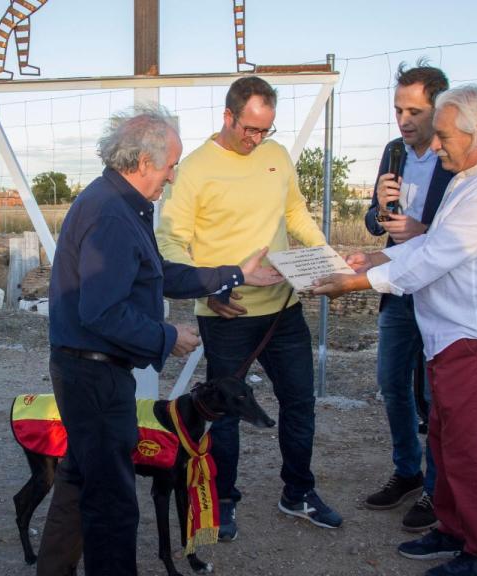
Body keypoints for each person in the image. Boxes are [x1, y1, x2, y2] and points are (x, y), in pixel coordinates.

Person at [39, 107, 282, 576]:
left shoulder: (121, 203)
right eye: (171, 165)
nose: (173, 177)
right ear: (144, 161)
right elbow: (102, 311)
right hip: (94, 375)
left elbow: (156, 273)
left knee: (79, 480)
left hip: (91, 371)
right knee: (111, 504)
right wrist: (167, 336)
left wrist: (234, 274)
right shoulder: (111, 213)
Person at [314, 85, 477, 576]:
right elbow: (430, 241)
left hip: (473, 339)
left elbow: (434, 258)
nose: (434, 147)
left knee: (468, 452)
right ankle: (453, 530)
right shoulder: (470, 175)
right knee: (443, 439)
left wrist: (355, 282)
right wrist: (377, 255)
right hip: (450, 337)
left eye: (442, 136)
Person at [156, 75, 342, 541]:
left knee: (300, 401)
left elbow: (294, 213)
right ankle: (221, 500)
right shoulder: (195, 168)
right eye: (250, 130)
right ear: (228, 117)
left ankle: (297, 492)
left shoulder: (277, 157)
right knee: (226, 413)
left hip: (283, 309)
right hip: (227, 312)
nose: (257, 140)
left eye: (266, 131)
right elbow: (172, 242)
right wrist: (210, 290)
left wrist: (327, 258)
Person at [361, 61, 453, 532]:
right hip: (396, 287)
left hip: (438, 290)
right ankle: (407, 472)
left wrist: (423, 232)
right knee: (392, 382)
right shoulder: (394, 151)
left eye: (414, 110)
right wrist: (379, 209)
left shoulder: (455, 157)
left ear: (438, 109)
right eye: (398, 109)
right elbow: (374, 223)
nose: (404, 119)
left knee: (436, 394)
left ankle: (438, 492)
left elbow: (461, 233)